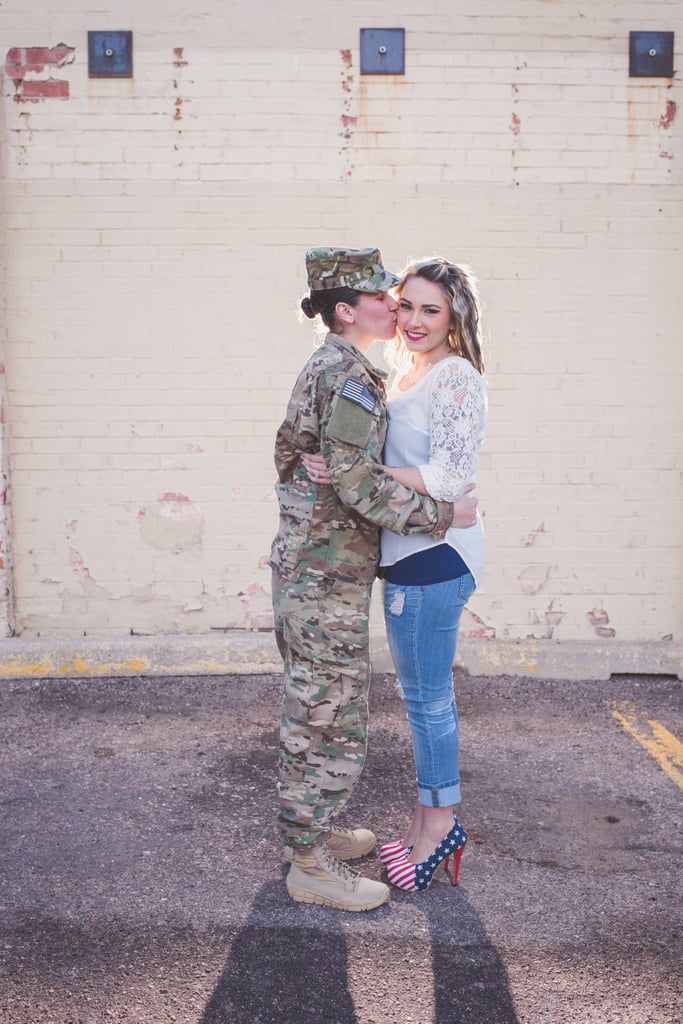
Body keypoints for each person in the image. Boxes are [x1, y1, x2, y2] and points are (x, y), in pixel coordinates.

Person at [270, 246, 478, 912]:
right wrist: (444, 513)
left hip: (321, 568)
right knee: (325, 710)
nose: (396, 309)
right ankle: (309, 862)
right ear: (343, 310)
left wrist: (313, 468)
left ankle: (316, 829)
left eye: (418, 305)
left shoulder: (343, 368)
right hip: (324, 573)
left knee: (324, 704)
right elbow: (357, 484)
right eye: (384, 298)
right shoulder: (352, 375)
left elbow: (287, 447)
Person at [376, 256, 487, 893]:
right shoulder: (411, 371)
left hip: (435, 558)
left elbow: (449, 478)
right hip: (412, 552)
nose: (415, 320)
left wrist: (360, 473)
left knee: (427, 701)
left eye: (431, 310)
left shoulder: (455, 378)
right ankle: (424, 825)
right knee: (421, 700)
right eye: (408, 305)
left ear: (454, 318)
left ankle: (440, 824)